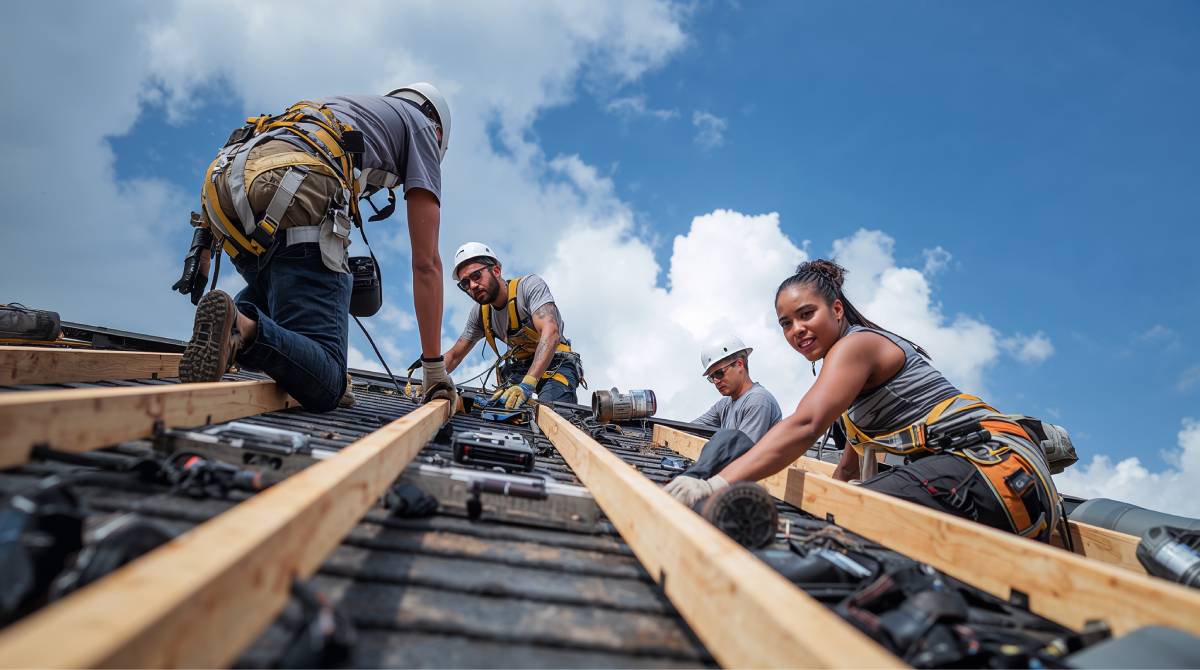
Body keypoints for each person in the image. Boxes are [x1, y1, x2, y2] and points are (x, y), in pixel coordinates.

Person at [666, 260, 1070, 543]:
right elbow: (846, 473)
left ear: (837, 309)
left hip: (995, 468)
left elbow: (805, 425)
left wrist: (719, 483)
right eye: (786, 323)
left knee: (860, 514)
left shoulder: (855, 346)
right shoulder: (849, 392)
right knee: (842, 502)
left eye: (807, 314)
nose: (797, 330)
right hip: (972, 471)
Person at [170, 84, 457, 414]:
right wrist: (434, 369)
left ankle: (230, 324)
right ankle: (241, 325)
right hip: (292, 180)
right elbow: (426, 264)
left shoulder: (343, 108)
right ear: (438, 134)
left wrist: (200, 248)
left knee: (280, 283)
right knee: (329, 384)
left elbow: (253, 153)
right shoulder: (420, 126)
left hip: (223, 192)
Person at [439, 242, 583, 408]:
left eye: (476, 276)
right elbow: (455, 355)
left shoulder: (528, 287)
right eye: (465, 283)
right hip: (518, 370)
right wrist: (431, 378)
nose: (472, 286)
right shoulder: (480, 313)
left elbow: (551, 333)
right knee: (500, 412)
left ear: (496, 271)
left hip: (555, 363)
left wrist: (527, 384)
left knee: (553, 414)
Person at [693, 335, 782, 442]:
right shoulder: (724, 405)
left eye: (719, 373)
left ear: (739, 364)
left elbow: (741, 451)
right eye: (711, 377)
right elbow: (687, 429)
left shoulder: (757, 400)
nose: (716, 381)